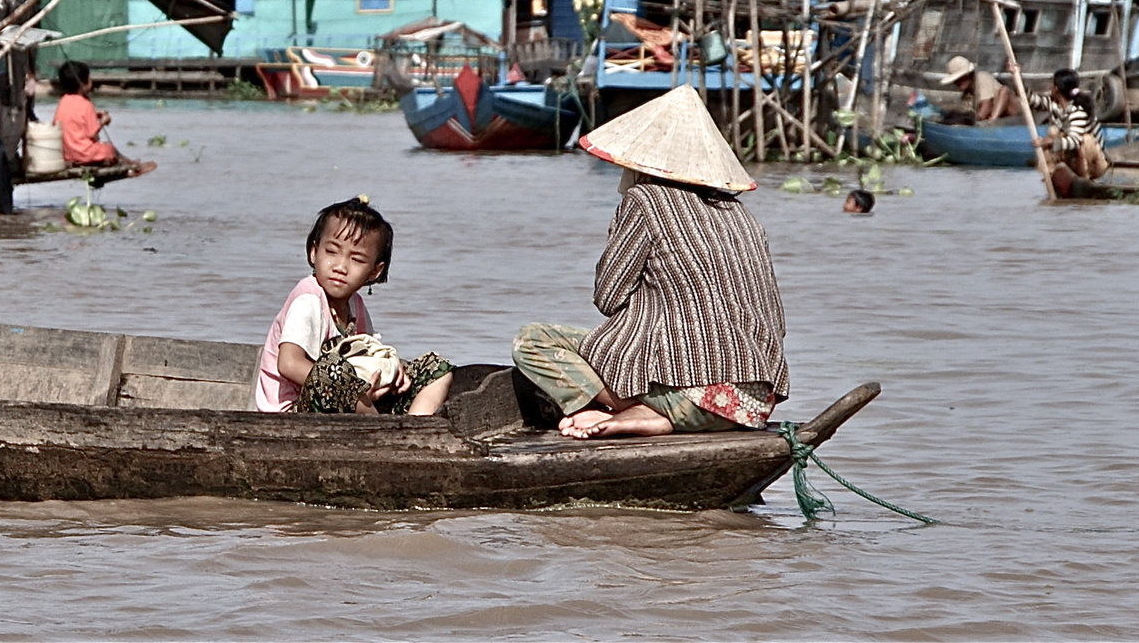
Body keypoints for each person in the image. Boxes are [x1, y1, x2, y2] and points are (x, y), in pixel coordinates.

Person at [511, 85, 788, 439]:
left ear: (642, 169)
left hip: (688, 397)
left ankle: (631, 409)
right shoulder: (741, 215)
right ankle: (657, 411)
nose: (620, 184)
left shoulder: (644, 199)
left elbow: (607, 299)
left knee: (532, 339)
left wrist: (619, 227)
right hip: (752, 403)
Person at [254, 197, 453, 416]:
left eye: (356, 259)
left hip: (345, 400)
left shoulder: (355, 305)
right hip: (294, 411)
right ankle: (383, 434)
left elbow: (367, 356)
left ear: (374, 271)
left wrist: (392, 372)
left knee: (436, 368)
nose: (340, 266)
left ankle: (413, 429)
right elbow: (289, 363)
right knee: (331, 371)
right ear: (314, 252)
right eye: (331, 252)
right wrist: (352, 387)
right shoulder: (308, 298)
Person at [50, 61, 154, 175]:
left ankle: (131, 164)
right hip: (84, 154)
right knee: (110, 149)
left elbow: (62, 122)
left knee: (105, 148)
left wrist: (93, 115)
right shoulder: (86, 104)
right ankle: (133, 167)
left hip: (67, 154)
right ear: (84, 83)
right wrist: (103, 122)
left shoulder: (63, 101)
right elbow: (92, 134)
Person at [1032, 67, 1110, 187]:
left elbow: (1074, 141)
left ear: (1056, 89)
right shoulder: (1055, 106)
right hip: (1073, 159)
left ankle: (1084, 180)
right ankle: (1051, 173)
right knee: (1053, 131)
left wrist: (1048, 142)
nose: (1049, 88)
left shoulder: (1078, 110)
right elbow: (1031, 99)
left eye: (1052, 85)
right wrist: (1015, 74)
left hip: (1094, 164)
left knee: (1086, 140)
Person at [938, 56, 1021, 124]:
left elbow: (987, 105)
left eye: (960, 79)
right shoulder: (967, 95)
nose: (957, 82)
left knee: (1004, 91)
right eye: (956, 80)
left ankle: (992, 121)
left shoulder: (981, 77)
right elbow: (966, 110)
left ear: (968, 75)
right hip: (1000, 119)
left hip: (1015, 114)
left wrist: (978, 119)